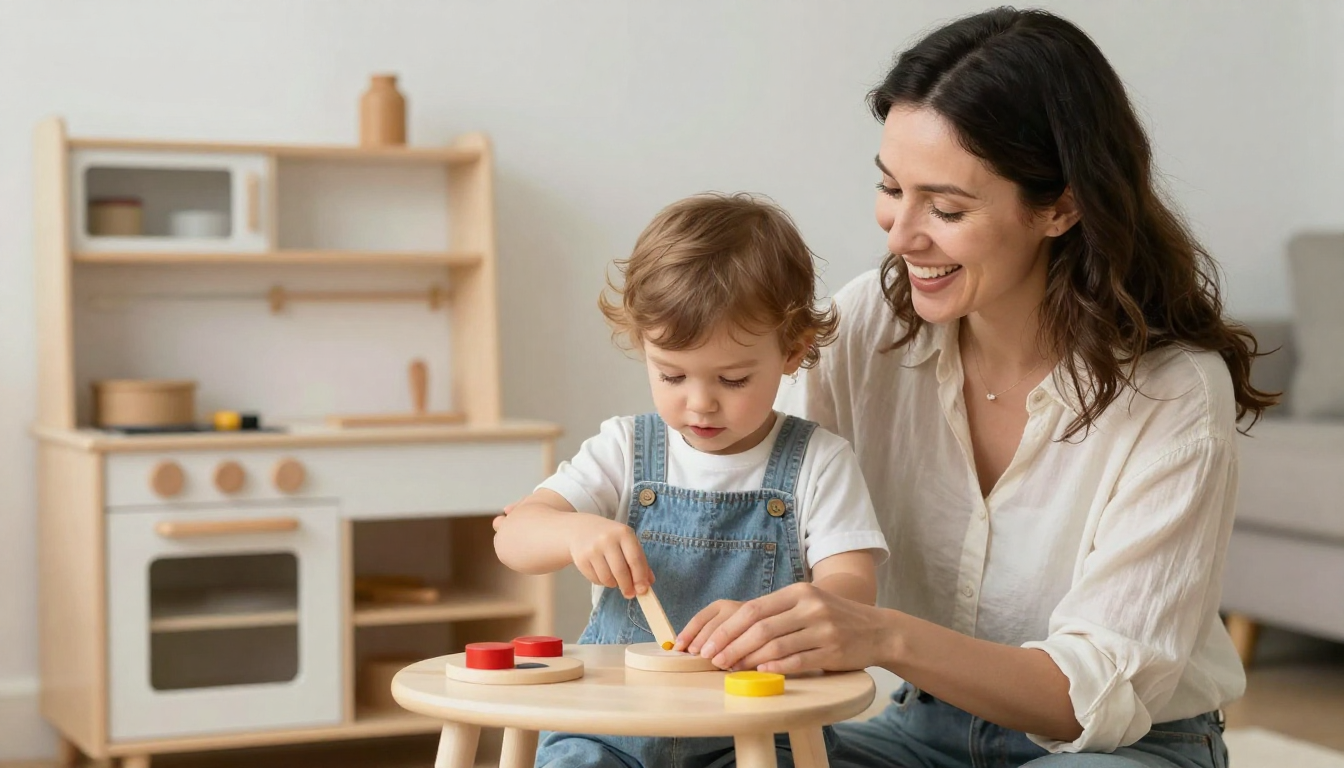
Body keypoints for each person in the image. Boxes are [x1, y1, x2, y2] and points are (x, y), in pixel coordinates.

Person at [675, 7, 1276, 767]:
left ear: (1061, 206)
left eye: (947, 208)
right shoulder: (866, 328)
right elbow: (769, 514)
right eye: (891, 187)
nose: (901, 234)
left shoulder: (1174, 392)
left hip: (1121, 745)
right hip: (921, 730)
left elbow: (1095, 696)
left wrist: (882, 635)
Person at [492, 192, 890, 768]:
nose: (700, 403)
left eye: (732, 379)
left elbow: (852, 589)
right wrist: (574, 533)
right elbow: (513, 537)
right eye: (672, 375)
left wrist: (778, 620)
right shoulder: (625, 448)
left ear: (792, 351)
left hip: (756, 730)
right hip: (612, 730)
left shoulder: (818, 462)